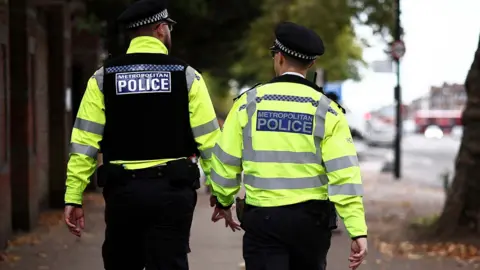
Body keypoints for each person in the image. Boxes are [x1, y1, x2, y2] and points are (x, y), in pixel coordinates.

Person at [63, 0, 220, 269]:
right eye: (168, 27)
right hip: (172, 193)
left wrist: (73, 196)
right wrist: (221, 193)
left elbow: (84, 143)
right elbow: (209, 142)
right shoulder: (186, 76)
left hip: (123, 194)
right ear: (160, 29)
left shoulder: (103, 78)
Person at [209, 22, 368, 270]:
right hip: (311, 223)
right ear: (311, 64)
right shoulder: (328, 110)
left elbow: (225, 162)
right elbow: (345, 175)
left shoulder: (248, 104)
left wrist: (223, 200)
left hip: (263, 220)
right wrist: (357, 230)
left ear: (279, 57)